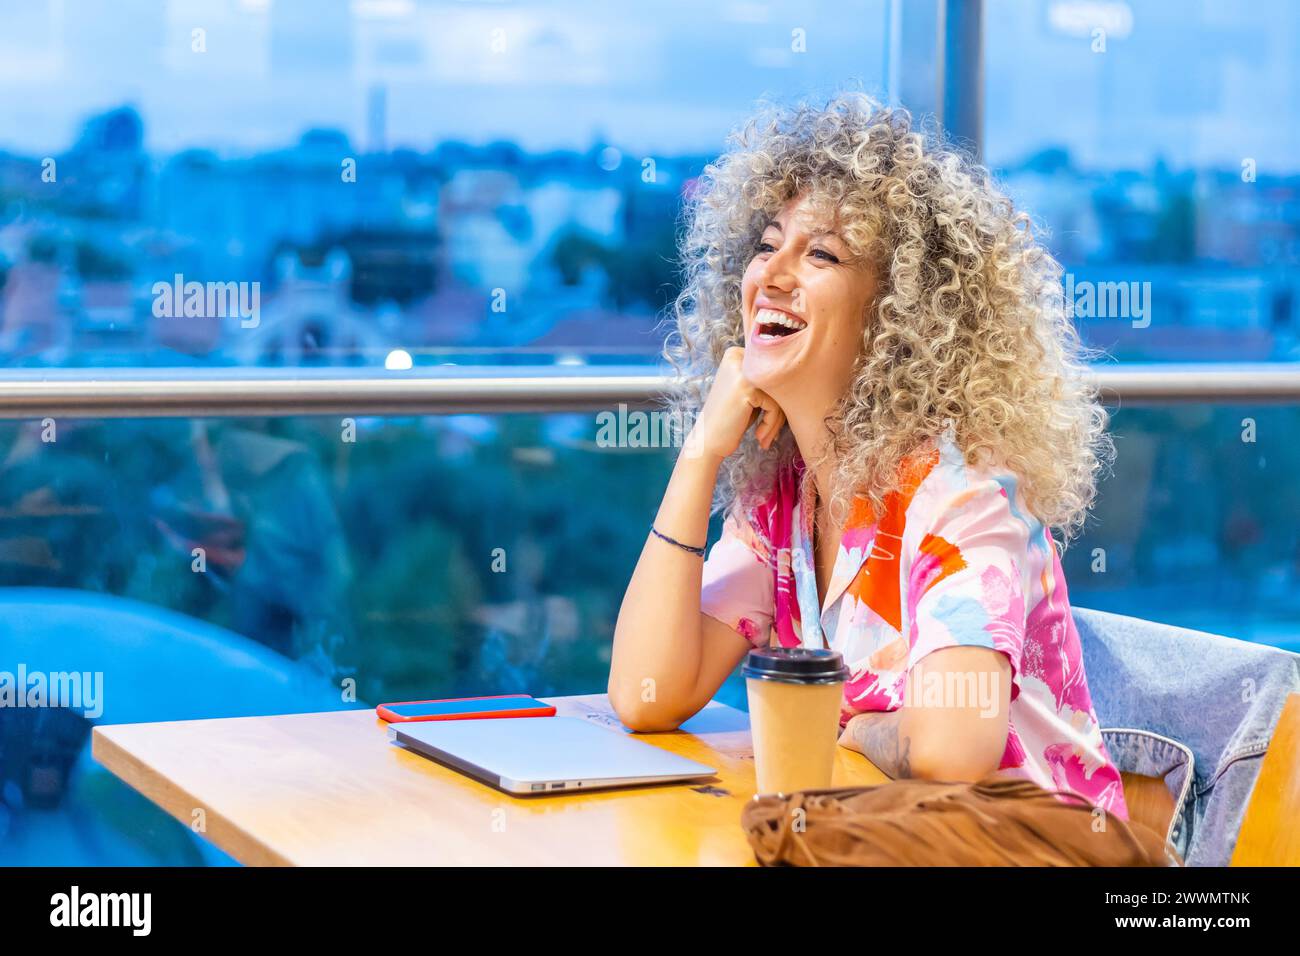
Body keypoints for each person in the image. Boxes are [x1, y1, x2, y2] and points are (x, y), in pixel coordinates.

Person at [608, 92, 1129, 818]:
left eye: (820, 252)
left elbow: (952, 752)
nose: (773, 275)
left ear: (898, 314)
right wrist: (700, 455)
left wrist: (860, 729)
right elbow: (647, 694)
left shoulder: (961, 493)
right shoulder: (783, 502)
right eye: (767, 244)